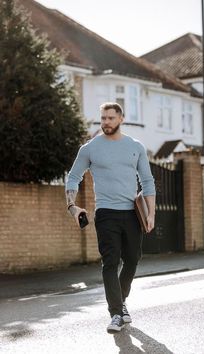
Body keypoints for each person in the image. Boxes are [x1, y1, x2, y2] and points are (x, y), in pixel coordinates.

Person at [65, 102, 156, 334]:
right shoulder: (90, 148)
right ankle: (116, 313)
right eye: (103, 118)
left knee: (133, 259)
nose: (105, 122)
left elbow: (147, 182)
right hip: (106, 213)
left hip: (132, 213)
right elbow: (74, 177)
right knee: (110, 262)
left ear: (121, 119)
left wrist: (151, 212)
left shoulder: (135, 146)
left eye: (110, 118)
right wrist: (72, 206)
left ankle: (121, 300)